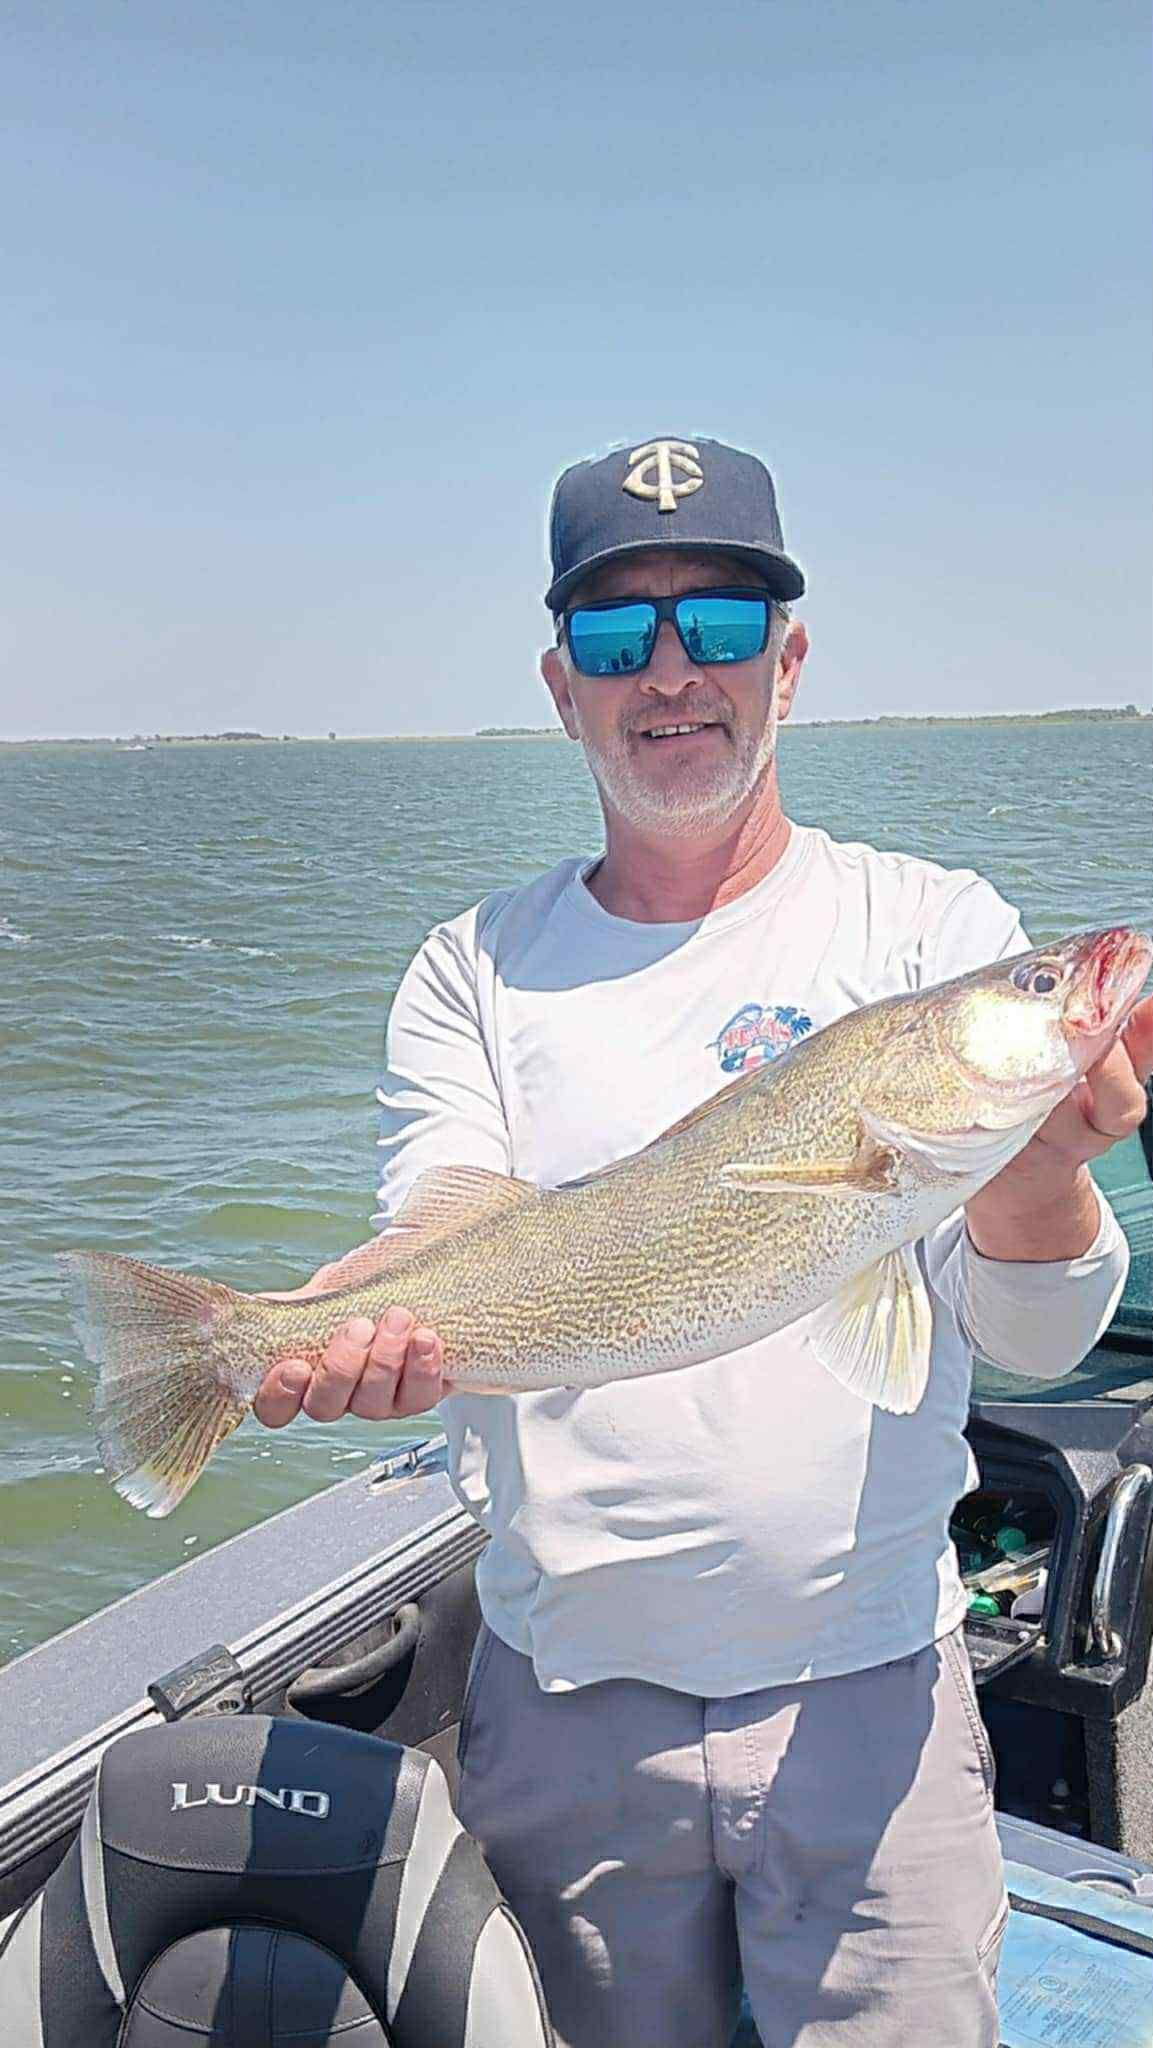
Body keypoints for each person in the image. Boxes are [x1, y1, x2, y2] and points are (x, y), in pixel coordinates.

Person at [254, 437, 1153, 2048]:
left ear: (787, 662)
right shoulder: (474, 967)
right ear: (560, 686)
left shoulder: (923, 929)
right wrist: (352, 1335)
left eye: (719, 624)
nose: (670, 673)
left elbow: (1032, 1337)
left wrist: (1037, 1157)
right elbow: (438, 1230)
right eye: (617, 638)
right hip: (565, 1704)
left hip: (871, 1689)